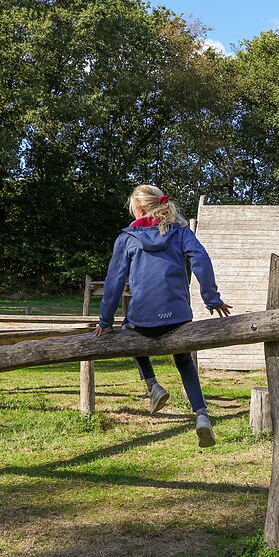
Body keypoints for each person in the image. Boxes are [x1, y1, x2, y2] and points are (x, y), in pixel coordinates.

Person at [96, 185, 231, 447]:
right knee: (183, 361)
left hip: (143, 321)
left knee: (127, 330)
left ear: (139, 209)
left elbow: (114, 282)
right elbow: (201, 259)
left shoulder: (127, 238)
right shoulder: (180, 232)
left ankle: (152, 385)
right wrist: (211, 299)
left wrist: (105, 320)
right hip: (178, 317)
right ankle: (201, 414)